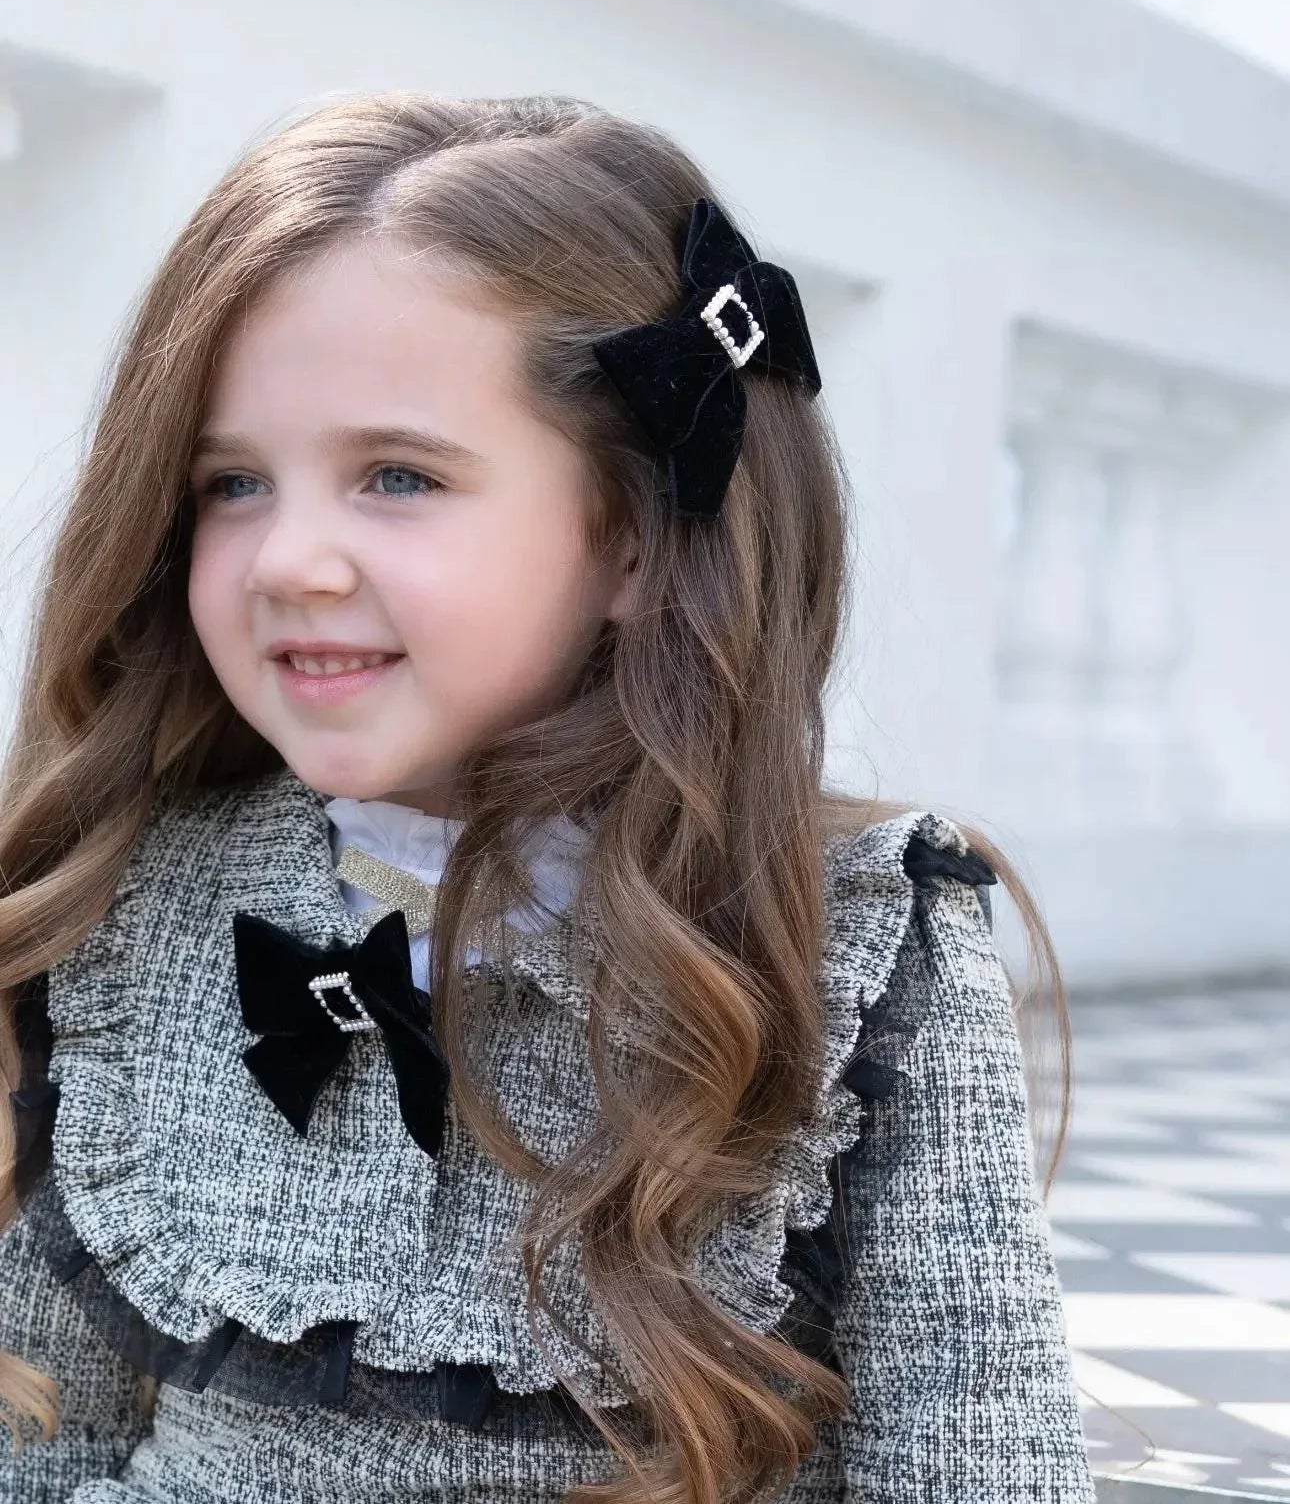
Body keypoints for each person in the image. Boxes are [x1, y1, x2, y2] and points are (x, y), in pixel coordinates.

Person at [0, 94, 1095, 1503]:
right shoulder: (119, 911)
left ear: (631, 538)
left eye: (397, 476)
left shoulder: (857, 947)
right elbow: (39, 1440)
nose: (290, 559)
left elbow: (977, 1463)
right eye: (232, 484)